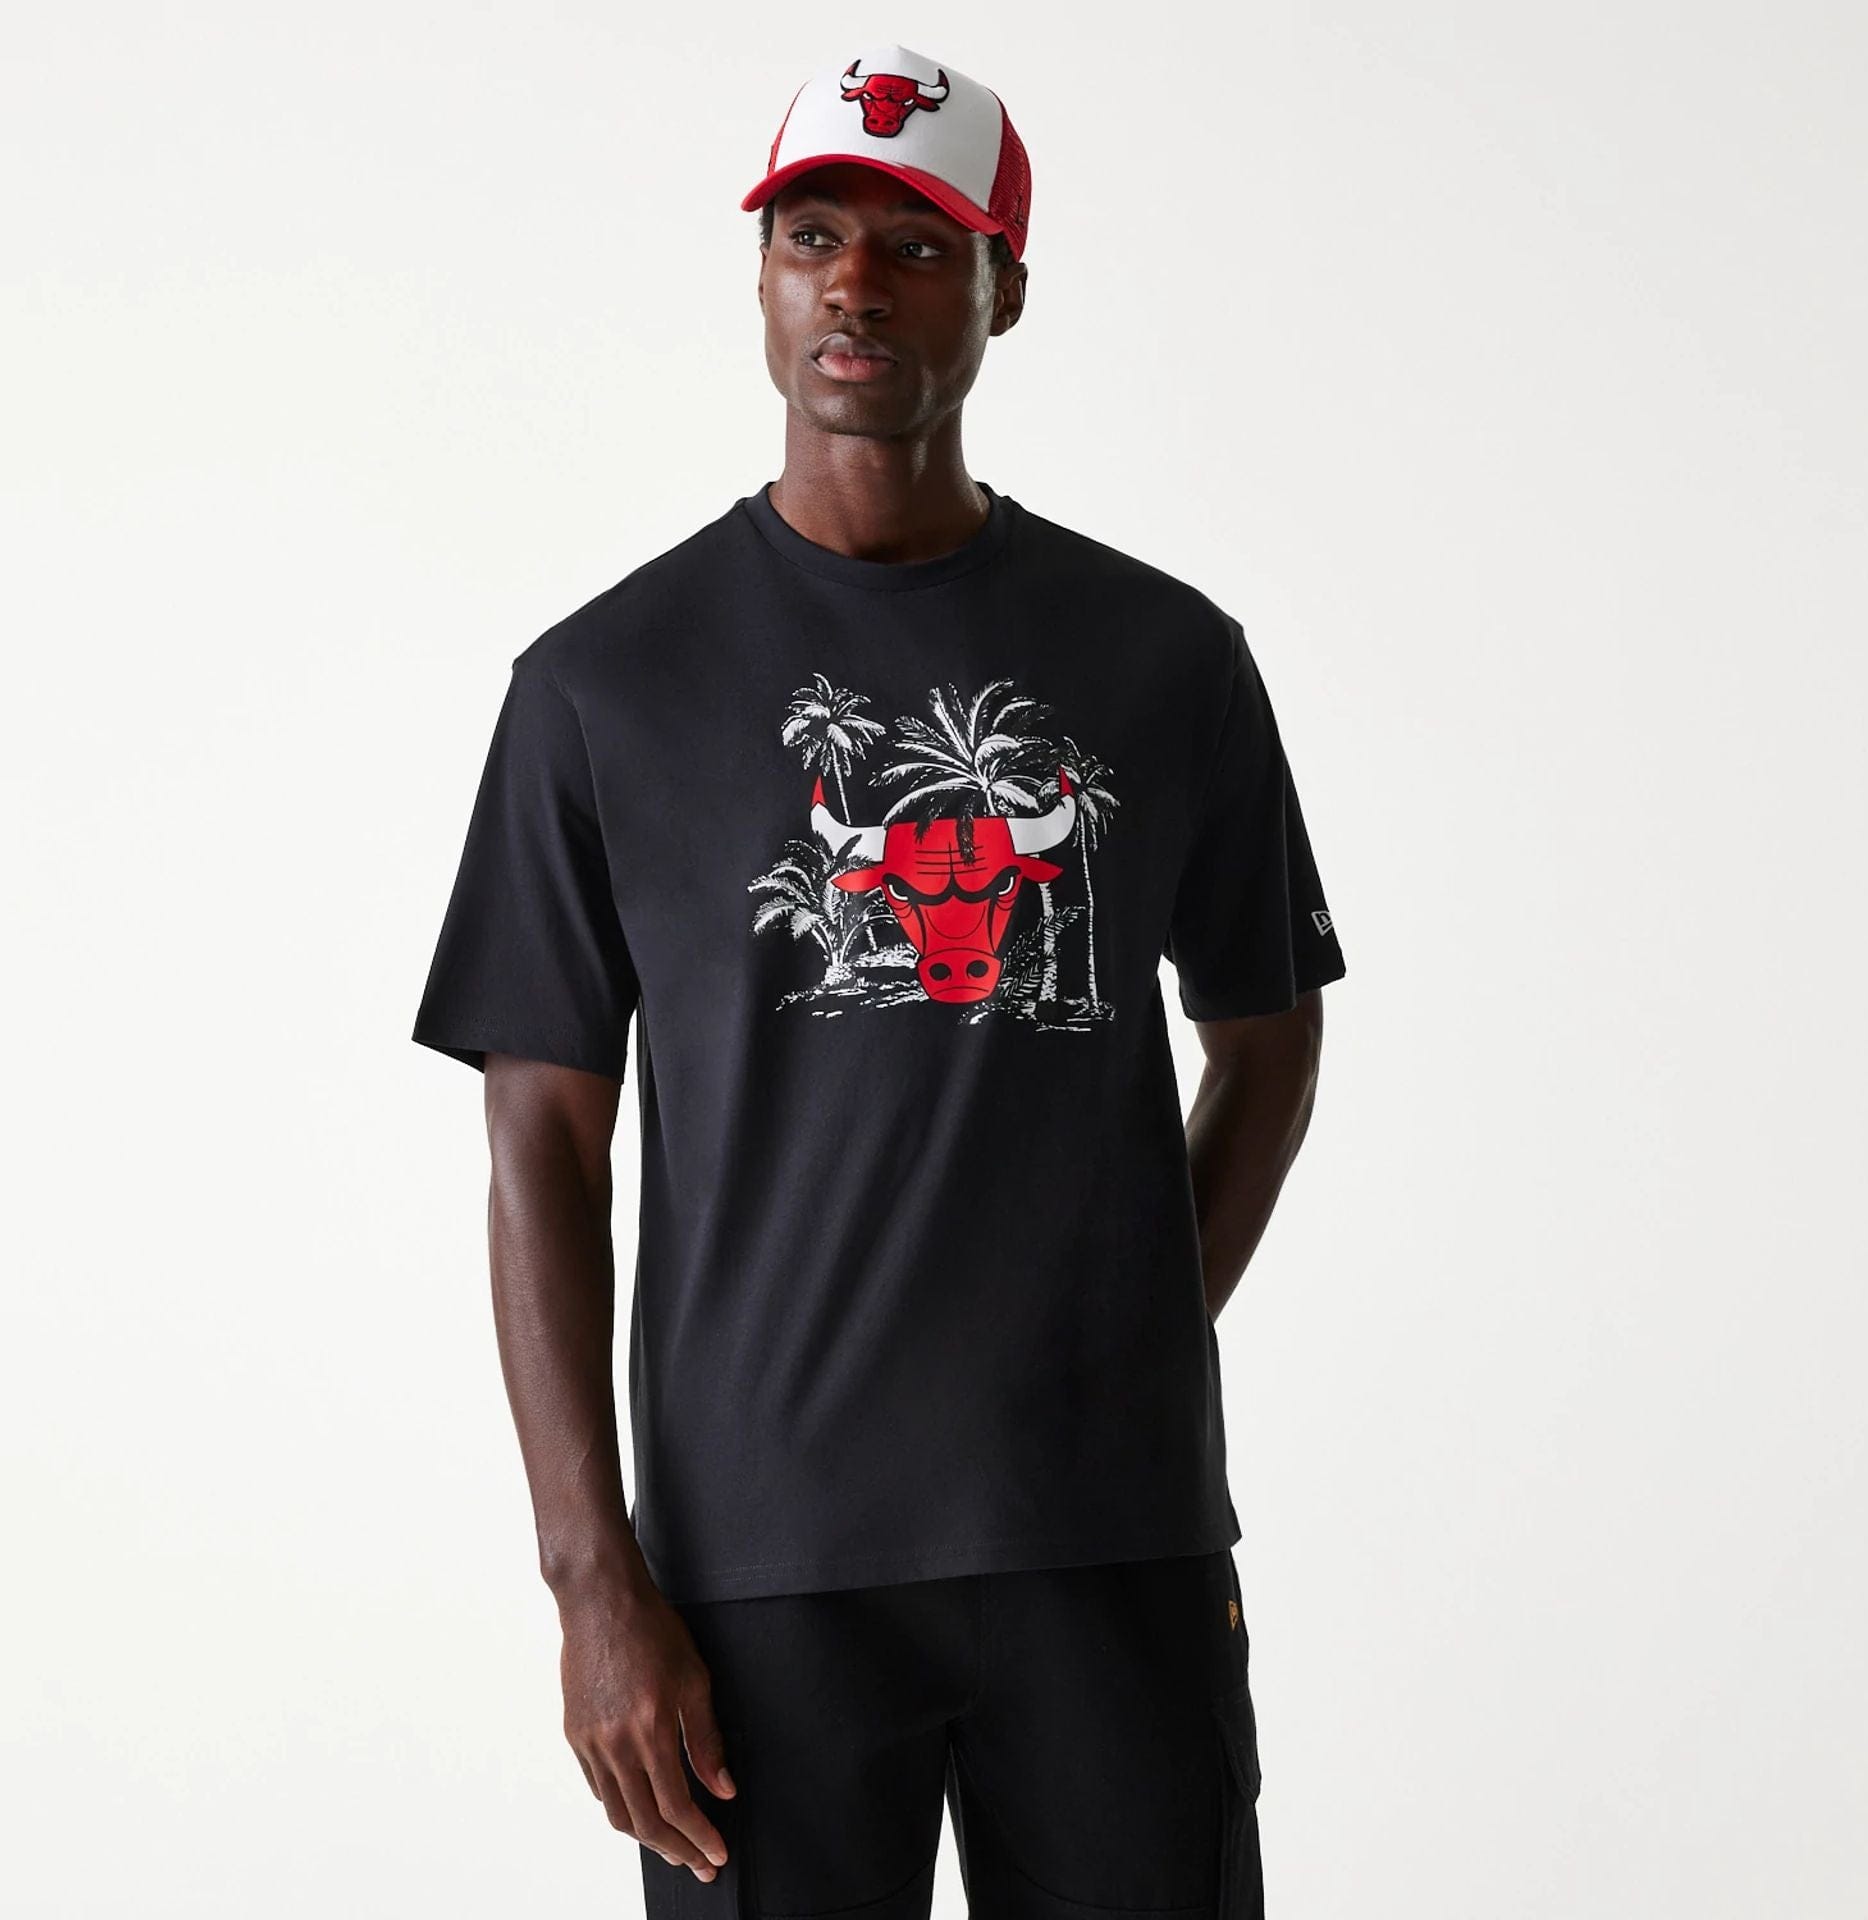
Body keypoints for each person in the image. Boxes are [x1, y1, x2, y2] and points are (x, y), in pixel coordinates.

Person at [411, 41, 1347, 1920]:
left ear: (1007, 289)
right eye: (812, 236)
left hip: (1112, 1545)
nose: (856, 283)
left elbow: (1267, 1036)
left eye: (920, 247)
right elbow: (542, 1149)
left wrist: (1132, 1327)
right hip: (751, 1577)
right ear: (763, 279)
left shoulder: (1167, 658)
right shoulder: (601, 685)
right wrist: (591, 1584)